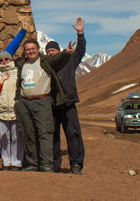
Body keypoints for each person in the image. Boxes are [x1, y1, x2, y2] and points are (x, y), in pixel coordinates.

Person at [14, 36, 74, 172]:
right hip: (24, 102)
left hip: (42, 101)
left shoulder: (45, 61)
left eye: (33, 49)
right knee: (28, 133)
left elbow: (58, 59)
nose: (30, 52)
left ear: (38, 49)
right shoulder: (21, 64)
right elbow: (18, 83)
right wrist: (18, 99)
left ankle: (46, 163)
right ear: (24, 51)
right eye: (28, 50)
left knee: (44, 132)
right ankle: (32, 163)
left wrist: (66, 53)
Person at [46, 17, 86, 174]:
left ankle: (76, 164)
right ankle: (55, 164)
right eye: (48, 51)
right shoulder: (46, 65)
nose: (50, 53)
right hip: (51, 105)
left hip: (69, 103)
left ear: (58, 50)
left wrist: (80, 34)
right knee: (53, 136)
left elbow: (81, 51)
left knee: (73, 134)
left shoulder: (70, 59)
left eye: (53, 51)